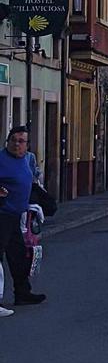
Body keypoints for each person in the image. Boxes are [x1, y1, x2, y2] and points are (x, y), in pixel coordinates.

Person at [0, 126, 45, 307]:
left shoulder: (28, 159)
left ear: (27, 145)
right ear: (8, 141)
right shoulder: (1, 159)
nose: (16, 144)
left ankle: (22, 293)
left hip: (17, 216)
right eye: (13, 140)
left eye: (21, 141)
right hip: (2, 215)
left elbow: (33, 179)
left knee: (19, 256)